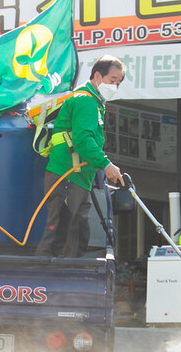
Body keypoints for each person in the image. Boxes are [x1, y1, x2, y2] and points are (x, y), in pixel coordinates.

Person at [36, 55, 126, 258]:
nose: (115, 86)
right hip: (67, 175)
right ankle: (44, 278)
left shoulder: (93, 102)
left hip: (76, 176)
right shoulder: (85, 101)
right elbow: (83, 141)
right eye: (112, 80)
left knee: (73, 232)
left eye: (118, 83)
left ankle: (64, 277)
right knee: (62, 233)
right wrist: (106, 165)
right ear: (97, 76)